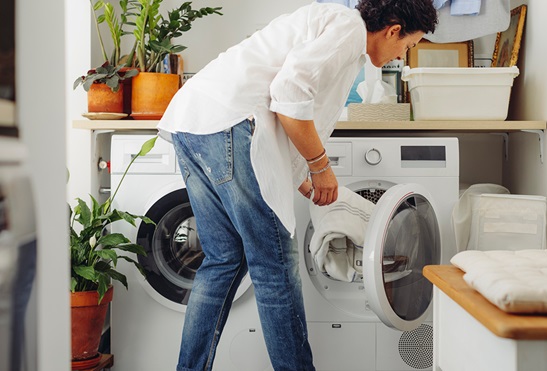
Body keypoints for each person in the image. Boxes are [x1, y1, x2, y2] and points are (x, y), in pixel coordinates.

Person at [156, 0, 438, 370]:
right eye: (409, 44)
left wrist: (304, 180)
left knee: (223, 259)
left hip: (194, 121)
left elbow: (285, 115)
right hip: (229, 124)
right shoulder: (348, 29)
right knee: (274, 264)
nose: (404, 52)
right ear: (393, 29)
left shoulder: (340, 33)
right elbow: (288, 97)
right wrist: (320, 166)